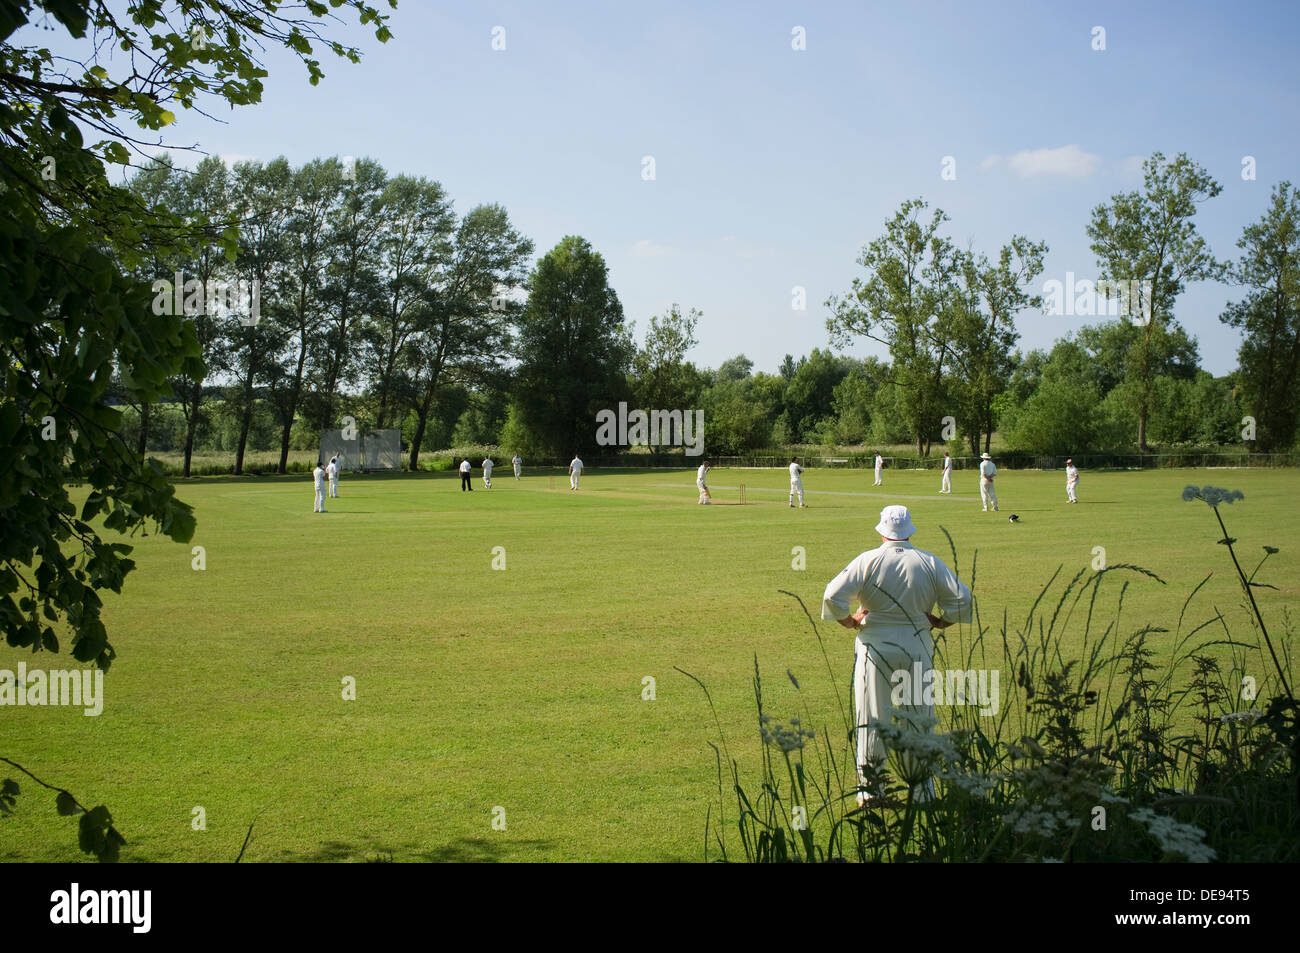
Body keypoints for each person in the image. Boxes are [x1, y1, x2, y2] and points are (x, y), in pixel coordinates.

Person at [821, 505, 972, 805]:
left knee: (872, 717)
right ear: (909, 531)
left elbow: (831, 596)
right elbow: (963, 599)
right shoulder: (929, 562)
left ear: (881, 531)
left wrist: (851, 621)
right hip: (916, 646)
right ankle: (922, 790)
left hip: (874, 648)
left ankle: (871, 790)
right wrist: (940, 622)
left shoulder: (868, 560)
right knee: (918, 717)